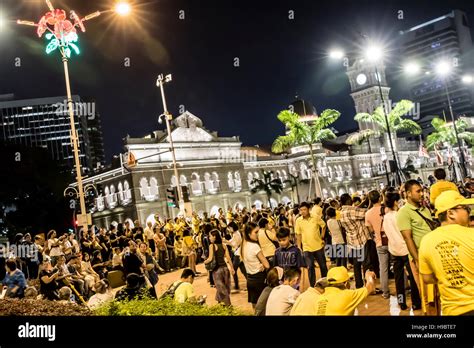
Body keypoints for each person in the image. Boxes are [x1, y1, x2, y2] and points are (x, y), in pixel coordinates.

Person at [419, 190, 474, 315]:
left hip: (452, 311)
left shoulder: (427, 241)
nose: (469, 213)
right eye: (465, 209)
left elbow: (427, 278)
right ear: (451, 213)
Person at [396, 179, 437, 313]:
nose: (421, 194)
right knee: (427, 294)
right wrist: (418, 260)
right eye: (418, 191)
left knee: (436, 292)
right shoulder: (404, 212)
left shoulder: (424, 209)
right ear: (408, 193)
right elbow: (408, 238)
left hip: (433, 255)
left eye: (422, 191)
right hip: (420, 257)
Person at [383, 192, 421, 310]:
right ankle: (416, 302)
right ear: (395, 202)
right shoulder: (399, 215)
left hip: (394, 250)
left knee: (398, 280)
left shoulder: (386, 217)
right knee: (413, 278)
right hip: (405, 250)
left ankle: (401, 303)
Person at [340, 194, 373, 289]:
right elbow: (368, 212)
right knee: (366, 265)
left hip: (351, 241)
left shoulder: (341, 212)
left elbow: (356, 209)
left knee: (356, 265)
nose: (352, 201)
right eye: (350, 199)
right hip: (361, 240)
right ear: (347, 201)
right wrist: (370, 201)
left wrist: (364, 201)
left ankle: (359, 285)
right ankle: (369, 286)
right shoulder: (352, 211)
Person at [295, 202, 327, 287]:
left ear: (308, 209)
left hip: (318, 246)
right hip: (306, 248)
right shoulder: (298, 220)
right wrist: (299, 246)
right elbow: (298, 234)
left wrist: (322, 236)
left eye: (304, 209)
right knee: (310, 268)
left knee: (323, 266)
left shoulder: (315, 217)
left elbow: (323, 225)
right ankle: (313, 286)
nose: (303, 211)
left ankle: (325, 283)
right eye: (301, 210)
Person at [365, 190, 389, 299]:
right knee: (399, 265)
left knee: (383, 268)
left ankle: (385, 292)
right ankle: (404, 287)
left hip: (379, 243)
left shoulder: (368, 213)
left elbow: (370, 230)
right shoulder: (386, 209)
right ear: (380, 198)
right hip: (391, 241)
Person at [241, 222, 271, 308]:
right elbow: (267, 265)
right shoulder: (254, 246)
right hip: (259, 279)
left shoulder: (243, 245)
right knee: (264, 306)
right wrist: (263, 263)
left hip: (250, 279)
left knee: (255, 307)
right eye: (256, 232)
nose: (258, 234)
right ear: (249, 234)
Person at [204, 230, 235, 306]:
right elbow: (228, 258)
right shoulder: (224, 245)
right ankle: (220, 304)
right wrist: (232, 268)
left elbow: (210, 258)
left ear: (214, 236)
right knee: (224, 289)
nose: (209, 237)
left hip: (217, 271)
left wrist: (205, 261)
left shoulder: (212, 246)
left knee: (222, 290)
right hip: (225, 269)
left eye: (210, 236)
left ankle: (229, 306)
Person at [222, 221, 246, 291]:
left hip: (237, 254)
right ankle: (240, 285)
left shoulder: (236, 234)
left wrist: (226, 242)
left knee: (233, 270)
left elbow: (234, 244)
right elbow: (232, 242)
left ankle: (236, 285)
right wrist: (227, 241)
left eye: (229, 228)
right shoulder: (236, 233)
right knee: (243, 269)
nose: (229, 229)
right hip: (238, 253)